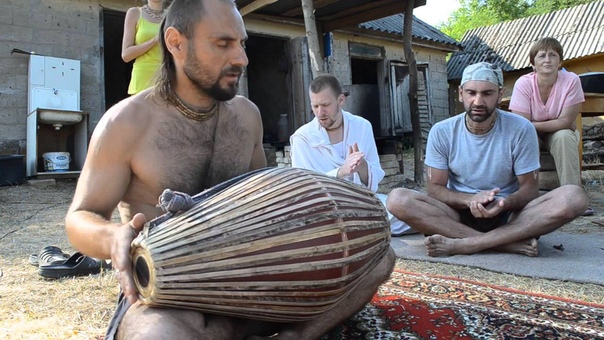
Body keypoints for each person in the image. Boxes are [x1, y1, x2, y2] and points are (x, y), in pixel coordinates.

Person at [65, 1, 395, 339]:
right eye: (223, 44)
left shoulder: (247, 116)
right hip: (171, 293)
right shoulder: (126, 122)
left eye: (242, 43)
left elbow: (267, 199)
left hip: (252, 277)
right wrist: (114, 237)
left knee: (380, 259)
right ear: (176, 42)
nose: (241, 58)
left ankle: (298, 335)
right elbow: (81, 216)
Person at [386, 62, 588, 257]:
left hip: (510, 216)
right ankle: (505, 244)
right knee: (397, 199)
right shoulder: (442, 131)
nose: (478, 102)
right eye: (471, 93)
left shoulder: (521, 128)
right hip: (457, 215)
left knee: (574, 197)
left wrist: (503, 203)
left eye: (487, 93)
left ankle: (470, 243)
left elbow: (529, 189)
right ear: (460, 94)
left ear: (500, 95)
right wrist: (470, 200)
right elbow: (435, 189)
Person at [289, 74, 415, 236]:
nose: (320, 113)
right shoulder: (303, 138)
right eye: (315, 106)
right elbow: (302, 189)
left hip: (363, 202)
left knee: (407, 211)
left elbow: (374, 178)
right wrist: (341, 172)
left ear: (341, 100)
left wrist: (362, 166)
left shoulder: (362, 126)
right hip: (324, 210)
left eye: (325, 105)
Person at [508, 37, 591, 215]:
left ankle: (573, 199)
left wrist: (537, 124)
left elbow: (566, 122)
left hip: (557, 134)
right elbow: (521, 126)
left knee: (564, 136)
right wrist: (557, 123)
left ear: (560, 61)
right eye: (541, 56)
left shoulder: (571, 80)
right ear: (533, 63)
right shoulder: (524, 83)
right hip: (531, 135)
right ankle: (524, 199)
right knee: (522, 139)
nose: (547, 59)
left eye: (553, 55)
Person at [121, 0, 165, 95]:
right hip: (142, 79)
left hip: (166, 78)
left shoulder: (172, 16)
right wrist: (155, 40)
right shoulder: (134, 13)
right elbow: (126, 55)